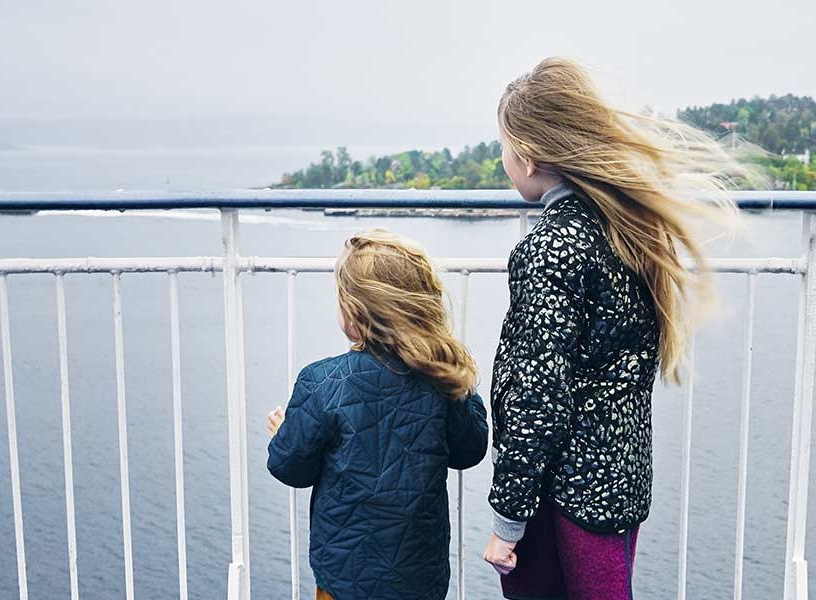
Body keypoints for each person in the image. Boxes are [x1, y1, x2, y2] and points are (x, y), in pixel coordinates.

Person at [481, 57, 747, 599]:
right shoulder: (628, 230)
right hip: (620, 484)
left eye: (504, 145)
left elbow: (539, 396)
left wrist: (507, 522)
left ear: (528, 157)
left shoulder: (551, 249)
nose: (503, 157)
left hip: (563, 494)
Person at [267, 228, 490, 600]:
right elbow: (470, 450)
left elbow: (291, 468)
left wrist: (282, 435)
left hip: (344, 578)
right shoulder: (441, 378)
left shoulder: (321, 381)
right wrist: (462, 386)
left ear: (354, 312)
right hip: (420, 578)